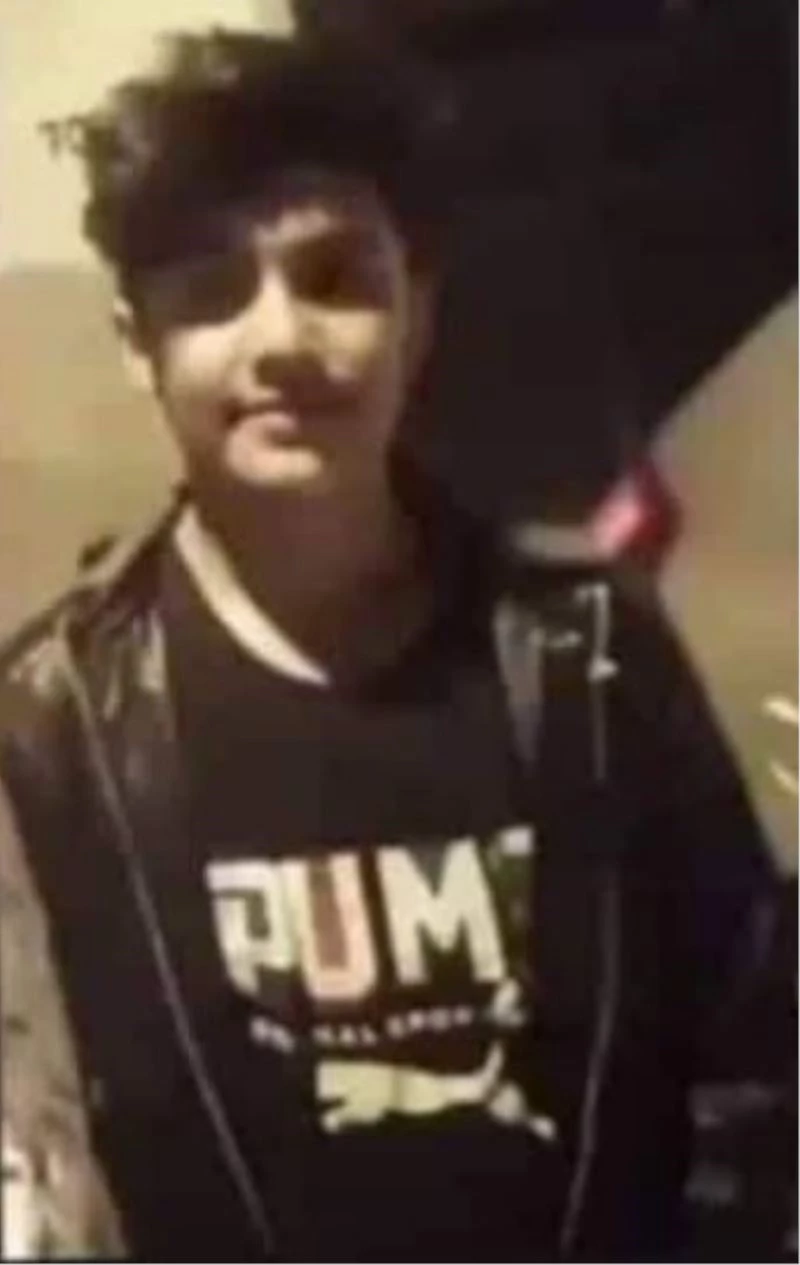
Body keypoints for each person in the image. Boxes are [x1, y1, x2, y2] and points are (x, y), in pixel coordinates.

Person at [0, 32, 783, 1262]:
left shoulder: (587, 650)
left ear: (417, 314)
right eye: (212, 289)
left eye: (335, 277)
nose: (281, 338)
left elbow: (751, 1059)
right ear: (138, 341)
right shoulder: (51, 717)